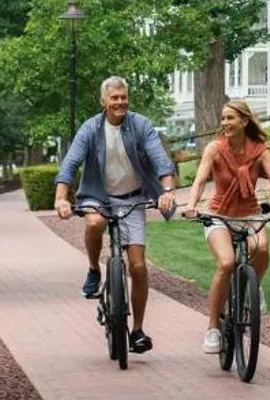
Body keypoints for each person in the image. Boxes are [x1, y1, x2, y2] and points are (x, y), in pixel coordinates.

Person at [54, 76, 178, 354]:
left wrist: (166, 190)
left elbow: (160, 160)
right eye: (115, 98)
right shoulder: (90, 128)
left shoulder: (141, 125)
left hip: (133, 197)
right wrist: (61, 197)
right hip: (98, 196)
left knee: (138, 267)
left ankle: (137, 330)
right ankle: (95, 270)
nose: (120, 102)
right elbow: (70, 163)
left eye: (124, 97)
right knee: (95, 222)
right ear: (104, 102)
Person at [183, 97, 270, 353]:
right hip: (220, 215)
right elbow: (201, 179)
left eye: (231, 118)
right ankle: (213, 327)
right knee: (226, 263)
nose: (225, 122)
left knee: (261, 249)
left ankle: (253, 286)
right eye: (223, 118)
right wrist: (192, 205)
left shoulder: (260, 150)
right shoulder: (215, 149)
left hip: (249, 214)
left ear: (245, 121)